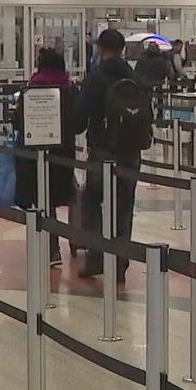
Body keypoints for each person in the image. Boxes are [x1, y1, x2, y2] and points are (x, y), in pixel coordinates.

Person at [75, 29, 153, 282]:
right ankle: (120, 263)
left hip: (103, 151)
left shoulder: (96, 78)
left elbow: (79, 117)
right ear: (122, 50)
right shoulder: (135, 78)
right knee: (124, 206)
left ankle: (96, 257)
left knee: (91, 200)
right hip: (131, 153)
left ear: (100, 49)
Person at [12, 48, 78, 266]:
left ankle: (48, 249)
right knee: (63, 196)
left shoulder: (31, 89)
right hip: (63, 154)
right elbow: (77, 123)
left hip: (35, 152)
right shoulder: (70, 90)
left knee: (41, 199)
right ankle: (69, 243)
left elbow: (17, 122)